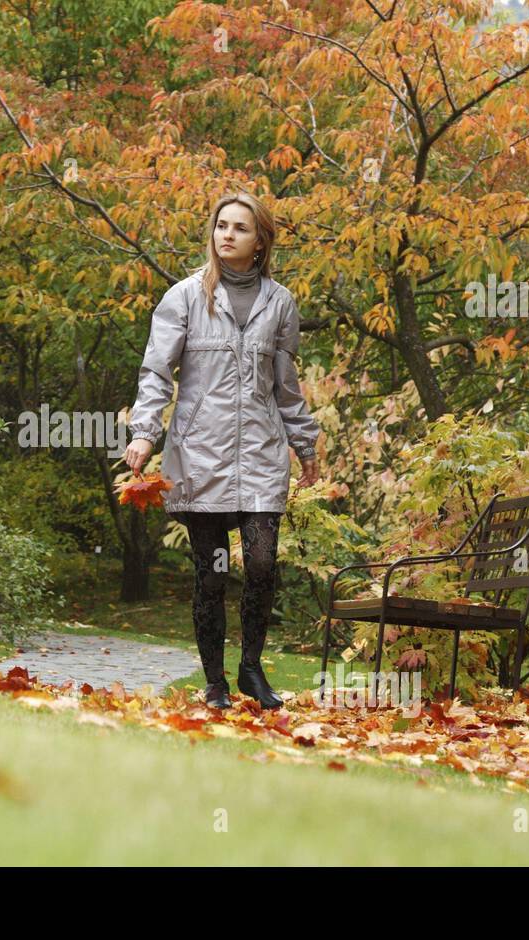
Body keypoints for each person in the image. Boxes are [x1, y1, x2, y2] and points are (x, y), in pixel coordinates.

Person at [123, 191, 321, 710]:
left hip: (260, 454)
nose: (227, 234)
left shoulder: (280, 304)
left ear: (260, 242)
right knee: (211, 573)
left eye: (240, 227)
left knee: (261, 565)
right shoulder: (184, 297)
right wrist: (145, 431)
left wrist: (307, 447)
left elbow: (286, 386)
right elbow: (155, 372)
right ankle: (215, 683)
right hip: (199, 456)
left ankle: (251, 669)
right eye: (221, 226)